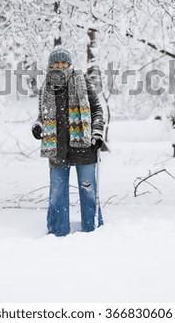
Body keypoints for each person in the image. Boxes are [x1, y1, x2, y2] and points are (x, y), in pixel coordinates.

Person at [31, 46, 104, 237]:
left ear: (70, 64)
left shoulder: (83, 82)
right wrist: (38, 126)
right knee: (57, 193)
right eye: (57, 63)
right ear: (50, 65)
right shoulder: (46, 87)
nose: (61, 66)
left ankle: (92, 229)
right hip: (57, 148)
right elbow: (42, 115)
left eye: (64, 63)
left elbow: (97, 110)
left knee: (88, 191)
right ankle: (57, 231)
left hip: (84, 147)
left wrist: (96, 133)